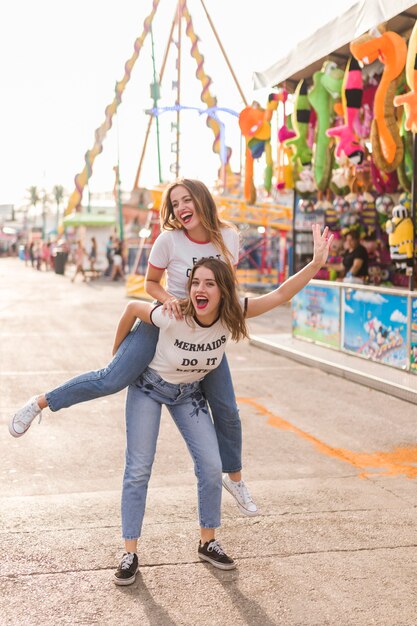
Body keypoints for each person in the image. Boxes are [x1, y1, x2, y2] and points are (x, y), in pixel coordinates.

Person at [8, 180, 256, 516]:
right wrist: (169, 301)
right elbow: (150, 283)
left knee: (227, 408)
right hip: (165, 323)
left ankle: (235, 478)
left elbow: (225, 286)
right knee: (110, 380)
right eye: (175, 203)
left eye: (187, 200)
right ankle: (40, 403)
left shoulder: (228, 237)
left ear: (201, 200)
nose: (181, 208)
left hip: (204, 334)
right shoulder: (168, 241)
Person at [113, 228, 332, 584]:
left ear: (223, 290)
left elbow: (279, 295)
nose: (200, 289)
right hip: (148, 388)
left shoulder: (233, 313)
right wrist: (118, 360)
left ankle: (207, 541)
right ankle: (129, 552)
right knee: (139, 468)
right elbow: (132, 310)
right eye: (195, 282)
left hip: (187, 394)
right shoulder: (176, 311)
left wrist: (314, 264)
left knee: (212, 464)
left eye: (210, 283)